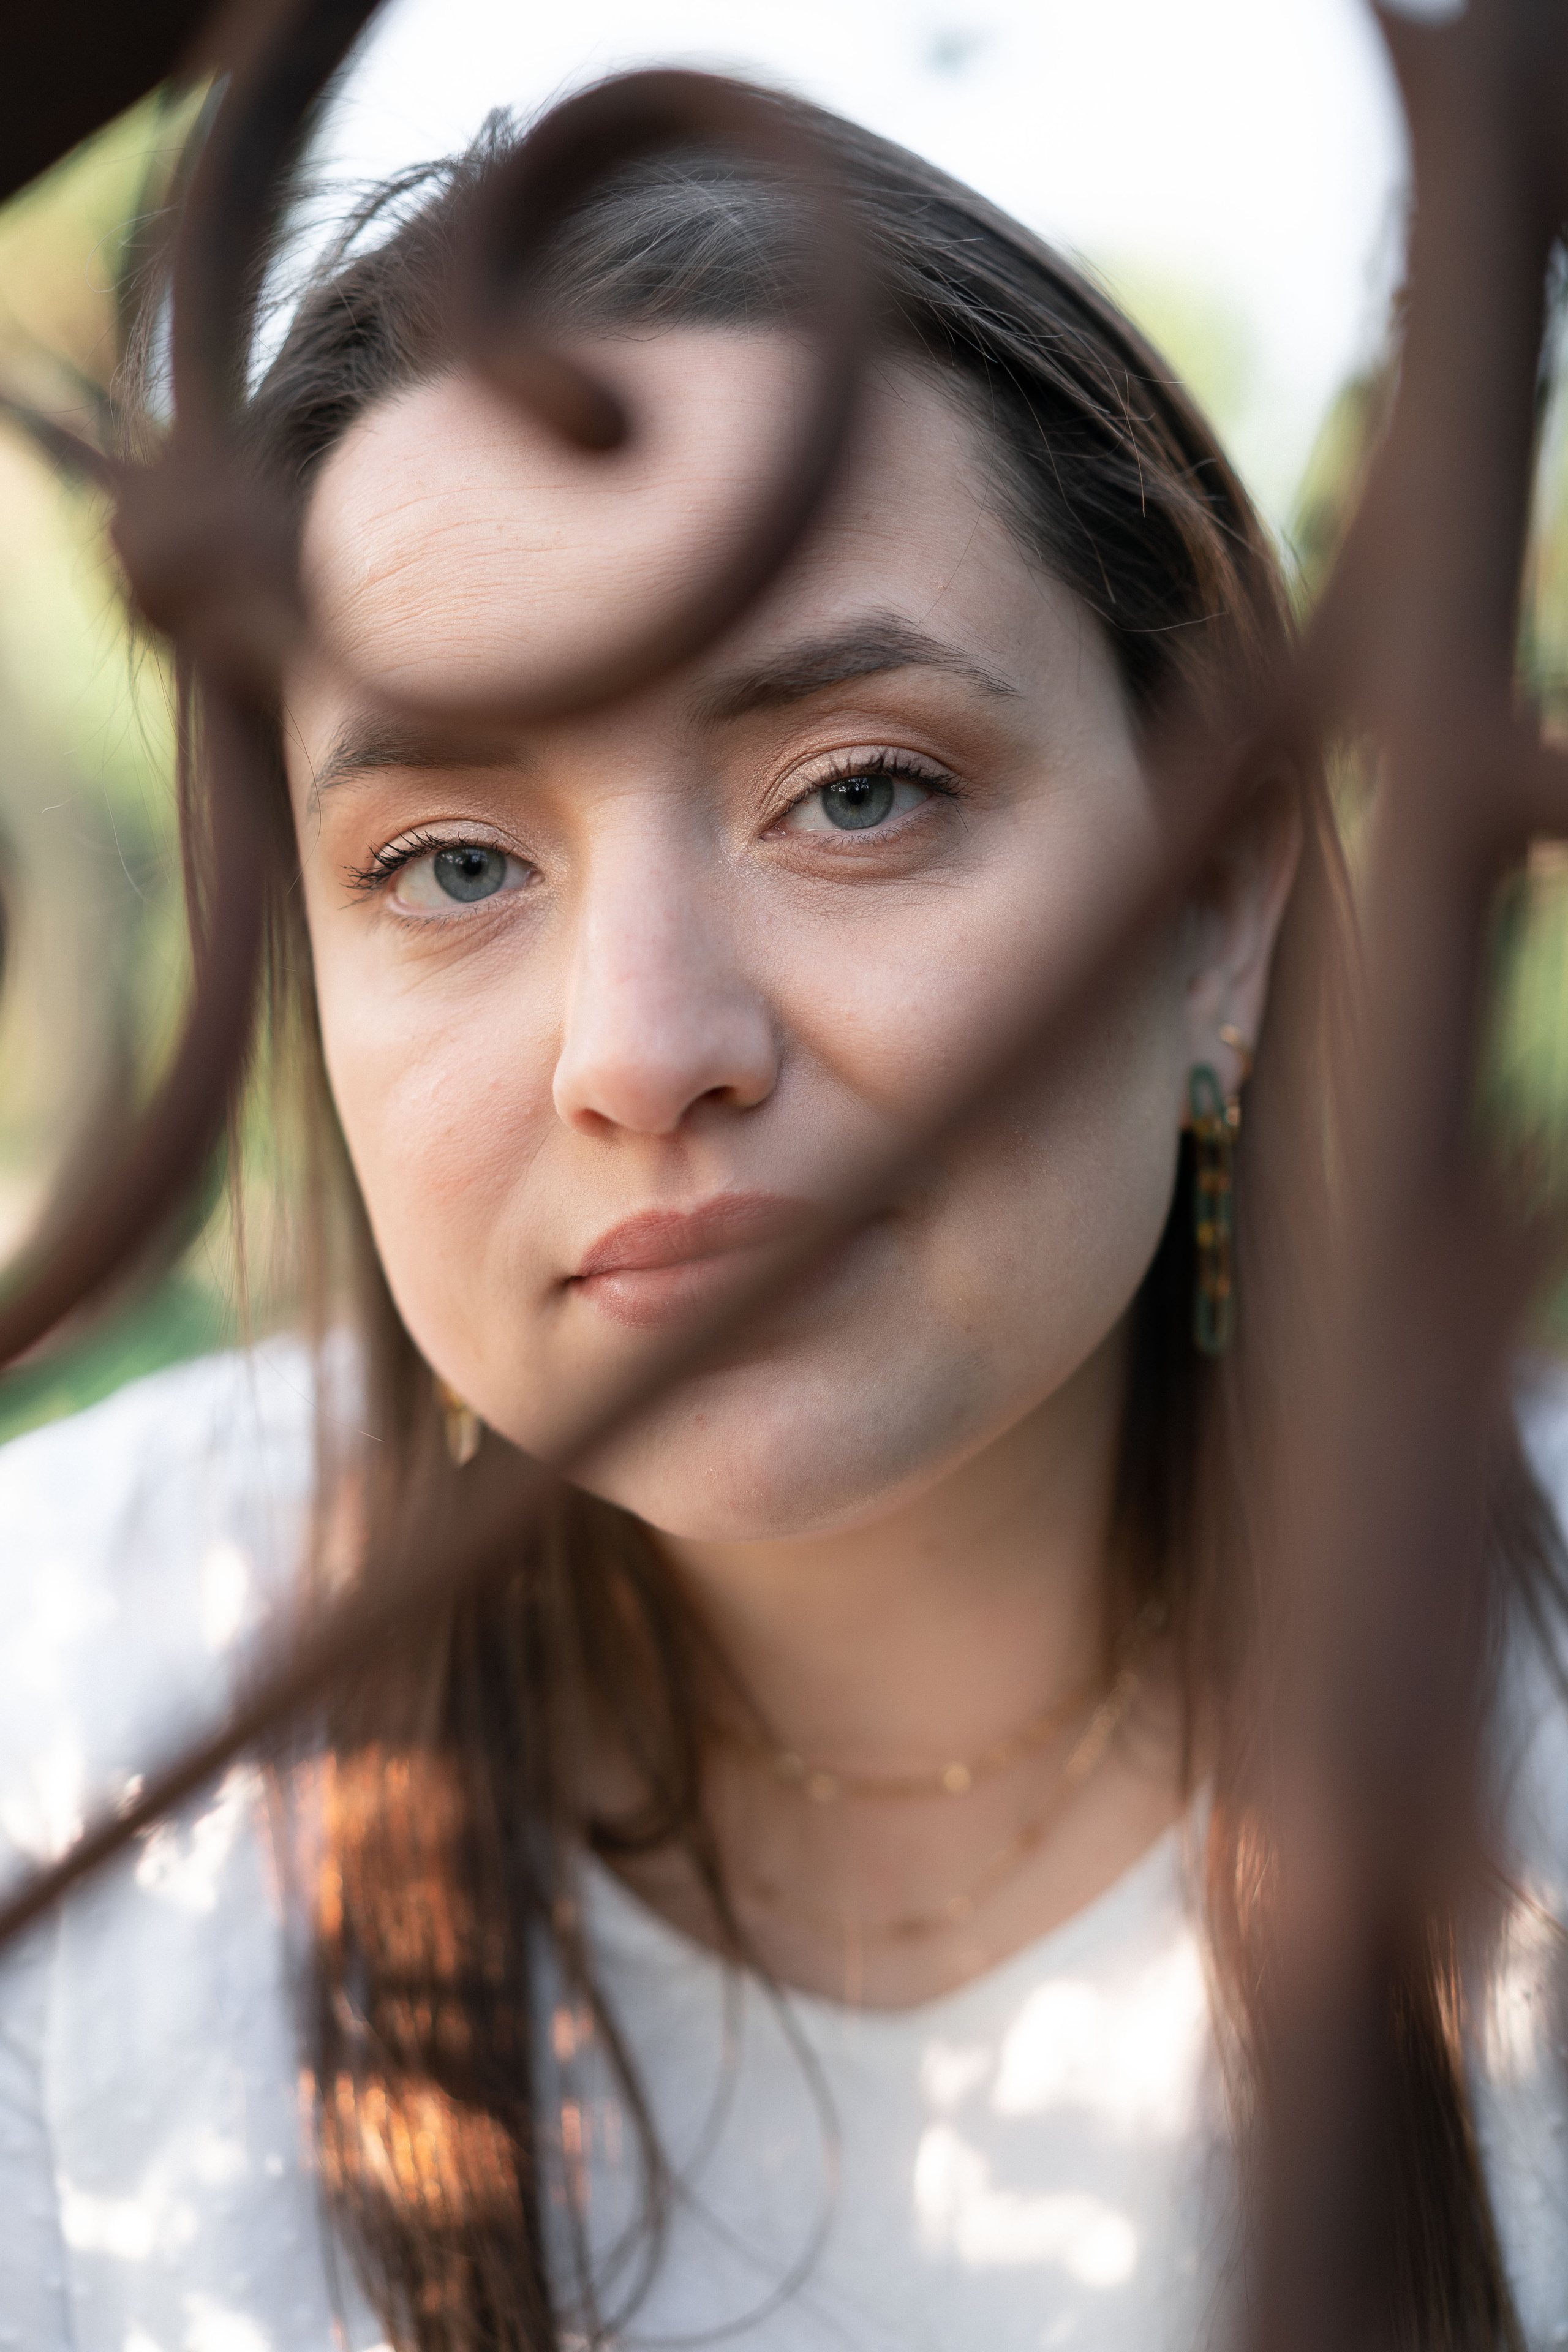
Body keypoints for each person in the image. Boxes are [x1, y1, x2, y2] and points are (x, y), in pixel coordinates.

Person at [2, 75, 1567, 2352]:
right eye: (454, 865)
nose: (643, 1046)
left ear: (1213, 912)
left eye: (857, 795)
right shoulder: (65, 1719)